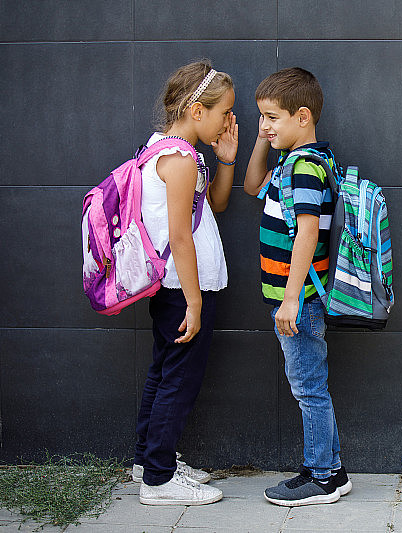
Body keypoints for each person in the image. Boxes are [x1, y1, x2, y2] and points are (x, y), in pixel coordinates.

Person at [244, 67, 351, 506]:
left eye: (272, 118)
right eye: (261, 118)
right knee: (309, 385)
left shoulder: (305, 167)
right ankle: (332, 468)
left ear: (302, 116)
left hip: (299, 300)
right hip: (293, 299)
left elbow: (307, 234)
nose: (264, 126)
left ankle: (321, 477)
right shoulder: (292, 162)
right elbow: (252, 185)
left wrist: (290, 299)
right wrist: (260, 140)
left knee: (308, 387)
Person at [133, 60, 238, 506]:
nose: (228, 121)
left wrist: (226, 160)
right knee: (180, 379)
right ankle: (158, 480)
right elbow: (179, 234)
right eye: (223, 112)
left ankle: (149, 460)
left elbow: (214, 203)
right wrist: (194, 303)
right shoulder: (177, 161)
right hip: (183, 290)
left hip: (176, 288)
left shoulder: (169, 150)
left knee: (164, 372)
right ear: (197, 110)